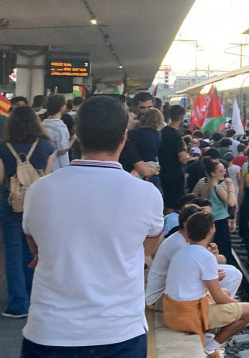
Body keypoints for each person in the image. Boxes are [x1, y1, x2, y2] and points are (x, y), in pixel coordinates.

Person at [21, 96, 164, 357]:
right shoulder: (147, 194)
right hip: (121, 333)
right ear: (123, 137)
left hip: (49, 332)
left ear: (76, 133)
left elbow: (35, 245)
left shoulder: (39, 191)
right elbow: (148, 245)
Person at [163, 212, 249, 357]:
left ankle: (208, 338)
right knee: (248, 310)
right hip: (187, 317)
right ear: (211, 230)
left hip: (171, 312)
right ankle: (211, 348)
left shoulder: (183, 250)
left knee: (225, 292)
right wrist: (234, 304)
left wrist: (226, 298)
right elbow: (218, 298)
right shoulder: (205, 256)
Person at [0, 106, 54, 319]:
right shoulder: (46, 146)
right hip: (38, 204)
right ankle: (34, 298)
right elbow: (46, 178)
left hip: (9, 203)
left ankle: (17, 304)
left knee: (12, 252)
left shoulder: (4, 147)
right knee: (32, 251)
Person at [203, 157, 237, 266]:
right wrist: (231, 187)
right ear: (213, 173)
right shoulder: (217, 187)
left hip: (212, 219)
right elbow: (230, 202)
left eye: (224, 170)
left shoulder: (206, 185)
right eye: (221, 171)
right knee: (224, 248)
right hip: (220, 220)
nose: (224, 173)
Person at [159, 105, 189, 212]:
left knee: (166, 200)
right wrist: (187, 155)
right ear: (181, 117)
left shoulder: (162, 131)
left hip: (162, 171)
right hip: (175, 174)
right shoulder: (175, 135)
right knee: (174, 204)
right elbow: (182, 157)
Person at [40, 94, 74, 171]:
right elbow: (62, 150)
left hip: (46, 166)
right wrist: (73, 139)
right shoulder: (60, 127)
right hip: (59, 167)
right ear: (62, 107)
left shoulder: (42, 124)